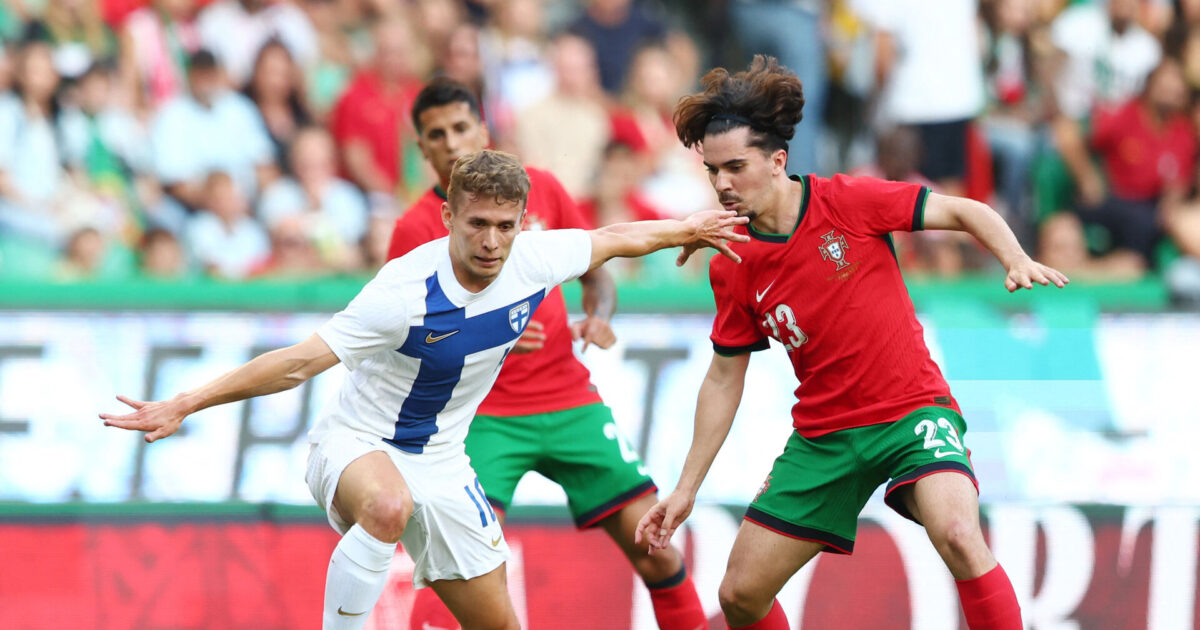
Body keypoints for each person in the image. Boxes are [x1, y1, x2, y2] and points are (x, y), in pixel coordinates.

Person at [100, 148, 747, 630]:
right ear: (447, 217)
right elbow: (298, 363)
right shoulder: (404, 291)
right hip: (356, 444)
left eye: (504, 224)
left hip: (441, 461)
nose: (491, 241)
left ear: (524, 222)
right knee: (387, 506)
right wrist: (183, 403)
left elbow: (611, 241)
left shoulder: (532, 259)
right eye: (476, 225)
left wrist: (690, 229)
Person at [635, 56, 1069, 630]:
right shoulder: (731, 262)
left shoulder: (848, 202)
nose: (722, 184)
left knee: (960, 534)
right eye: (713, 171)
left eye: (735, 167)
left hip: (910, 411)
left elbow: (963, 209)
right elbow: (723, 377)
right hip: (824, 439)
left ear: (777, 160)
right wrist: (686, 489)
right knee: (740, 595)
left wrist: (1014, 258)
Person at [387, 78, 708, 630]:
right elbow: (401, 343)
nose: (452, 141)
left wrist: (599, 318)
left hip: (569, 400)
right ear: (423, 149)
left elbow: (597, 276)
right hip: (481, 419)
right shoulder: (414, 230)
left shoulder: (543, 189)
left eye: (461, 126)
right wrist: (484, 338)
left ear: (483, 129)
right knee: (457, 574)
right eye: (436, 134)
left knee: (657, 549)